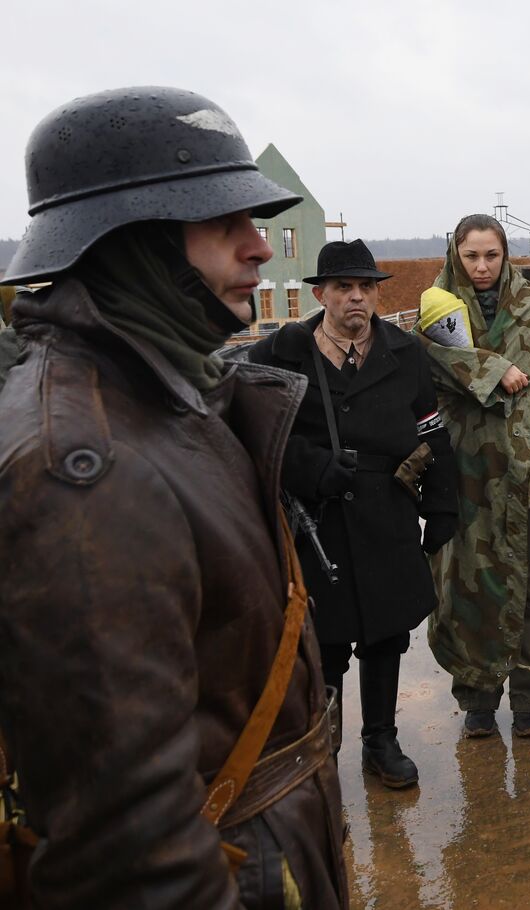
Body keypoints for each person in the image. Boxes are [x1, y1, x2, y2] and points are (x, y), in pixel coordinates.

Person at [0, 86, 347, 907]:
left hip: (267, 848)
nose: (260, 249)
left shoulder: (165, 391)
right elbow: (132, 853)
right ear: (132, 241)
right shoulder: (84, 470)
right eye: (224, 222)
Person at [248, 239, 458, 789]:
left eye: (367, 287)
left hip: (387, 510)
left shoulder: (404, 351)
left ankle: (381, 741)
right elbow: (252, 427)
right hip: (319, 520)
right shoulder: (280, 353)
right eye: (344, 287)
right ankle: (325, 750)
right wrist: (307, 466)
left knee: (387, 635)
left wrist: (441, 506)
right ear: (320, 294)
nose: (357, 298)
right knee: (328, 641)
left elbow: (431, 429)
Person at [417, 214, 530, 738]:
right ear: (456, 254)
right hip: (462, 471)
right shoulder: (433, 313)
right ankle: (476, 697)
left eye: (490, 255)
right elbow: (421, 368)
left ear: (505, 255)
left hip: (527, 475)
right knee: (466, 585)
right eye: (471, 256)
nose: (481, 266)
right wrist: (491, 369)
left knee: (529, 586)